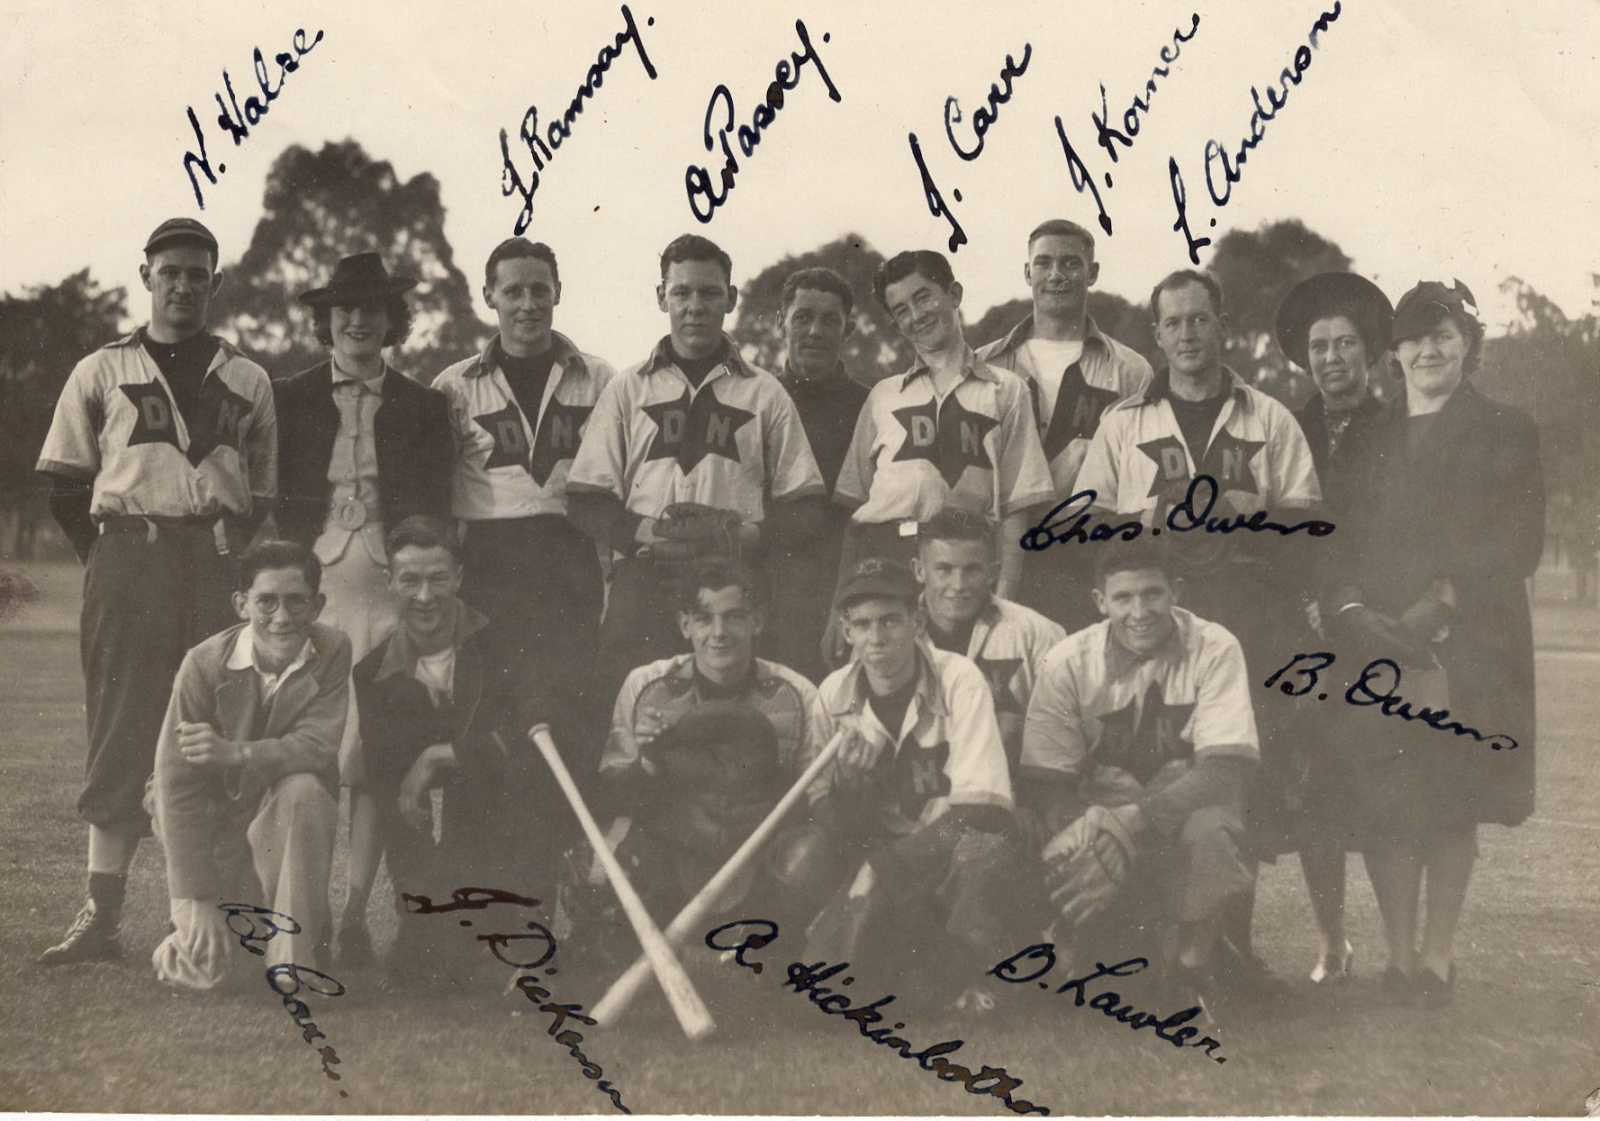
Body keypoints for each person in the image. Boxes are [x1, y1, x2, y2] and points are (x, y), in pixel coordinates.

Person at [34, 217, 278, 965]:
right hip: (129, 559)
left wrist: (220, 549)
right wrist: (115, 555)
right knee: (120, 730)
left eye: (196, 273)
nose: (182, 284)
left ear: (215, 282)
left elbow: (263, 492)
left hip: (211, 560)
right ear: (146, 275)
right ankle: (101, 914)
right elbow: (65, 484)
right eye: (169, 271)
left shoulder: (246, 377)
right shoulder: (102, 369)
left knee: (215, 728)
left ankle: (225, 914)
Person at [1076, 268, 1321, 977]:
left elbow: (1309, 521)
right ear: (1156, 334)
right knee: (1147, 766)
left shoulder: (1268, 416)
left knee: (1239, 776)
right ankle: (1150, 945)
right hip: (1150, 624)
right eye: (1173, 322)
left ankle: (1230, 944)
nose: (1187, 333)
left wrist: (1254, 513)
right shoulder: (1124, 421)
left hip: (1244, 621)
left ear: (1223, 324)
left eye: (1199, 319)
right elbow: (1083, 518)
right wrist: (1141, 519)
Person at [1323, 279, 1542, 1009]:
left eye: (1442, 334)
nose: (1427, 350)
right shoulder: (1366, 435)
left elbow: (1520, 541)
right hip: (1378, 644)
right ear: (1395, 350)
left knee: (1452, 798)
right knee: (1388, 798)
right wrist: (1355, 609)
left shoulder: (1508, 428)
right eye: (1413, 337)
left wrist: (1441, 600)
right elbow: (1339, 538)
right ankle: (1399, 957)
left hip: (1471, 642)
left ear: (1467, 342)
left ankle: (1438, 960)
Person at [274, 252, 455, 966]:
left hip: (389, 598)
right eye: (344, 308)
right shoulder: (286, 397)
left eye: (372, 308)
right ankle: (306, 918)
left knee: (374, 763)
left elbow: (436, 510)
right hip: (308, 600)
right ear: (326, 318)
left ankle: (352, 918)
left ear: (390, 319)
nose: (357, 319)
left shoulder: (422, 404)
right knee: (311, 758)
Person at [566, 234, 825, 708]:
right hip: (647, 574)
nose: (695, 306)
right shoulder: (628, 388)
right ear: (661, 296)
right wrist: (648, 533)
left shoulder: (763, 393)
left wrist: (740, 537)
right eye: (682, 292)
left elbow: (807, 508)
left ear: (730, 298)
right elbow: (586, 498)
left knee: (736, 710)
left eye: (709, 293)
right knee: (624, 699)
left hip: (733, 576)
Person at [1019, 541, 1259, 1014]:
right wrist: (1093, 830)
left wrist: (1136, 820)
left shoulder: (1215, 646)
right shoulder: (1067, 661)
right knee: (1108, 980)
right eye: (1123, 598)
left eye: (1152, 593)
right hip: (1101, 822)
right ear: (1100, 601)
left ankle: (1193, 963)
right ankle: (1086, 941)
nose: (1140, 610)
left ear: (1176, 591)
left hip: (1182, 814)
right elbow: (1046, 780)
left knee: (1215, 826)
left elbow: (1224, 770)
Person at [787, 557, 1021, 1011]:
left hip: (946, 844)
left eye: (891, 621)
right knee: (822, 992)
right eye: (864, 624)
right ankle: (919, 973)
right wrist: (851, 788)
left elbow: (983, 810)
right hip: (877, 848)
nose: (877, 638)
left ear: (917, 620)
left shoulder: (960, 679)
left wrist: (883, 867)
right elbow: (828, 819)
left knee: (984, 848)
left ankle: (973, 974)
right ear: (847, 629)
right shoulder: (833, 695)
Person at [352, 516, 562, 988]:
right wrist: (419, 902)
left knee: (533, 769)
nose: (425, 596)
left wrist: (443, 755)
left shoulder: (503, 638)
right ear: (389, 582)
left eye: (437, 579)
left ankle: (526, 924)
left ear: (459, 578)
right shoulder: (371, 673)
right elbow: (393, 792)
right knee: (424, 970)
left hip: (504, 821)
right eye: (410, 580)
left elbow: (534, 724)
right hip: (441, 847)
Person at [146, 540, 350, 989]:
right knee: (207, 972)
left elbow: (317, 747)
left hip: (281, 817)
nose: (282, 617)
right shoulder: (202, 664)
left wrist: (234, 752)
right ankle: (194, 934)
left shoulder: (332, 650)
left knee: (303, 789)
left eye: (296, 601)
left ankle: (293, 961)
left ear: (317, 604)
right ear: (242, 604)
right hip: (213, 823)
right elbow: (174, 784)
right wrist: (198, 899)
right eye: (266, 602)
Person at [433, 238, 617, 732]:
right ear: (489, 295)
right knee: (485, 708)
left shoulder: (599, 378)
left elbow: (618, 481)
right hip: (489, 557)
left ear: (559, 292)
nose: (528, 304)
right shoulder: (455, 385)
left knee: (565, 704)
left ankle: (559, 812)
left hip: (569, 553)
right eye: (513, 291)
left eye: (540, 290)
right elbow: (438, 488)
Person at [1272, 271, 1393, 983]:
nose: (1331, 357)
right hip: (1304, 635)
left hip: (1376, 631)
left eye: (1345, 342)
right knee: (1314, 792)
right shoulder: (1285, 427)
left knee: (1382, 791)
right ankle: (1332, 939)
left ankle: (1403, 948)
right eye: (1319, 345)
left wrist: (1358, 600)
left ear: (1369, 352)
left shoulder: (1400, 429)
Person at [595, 561, 822, 925]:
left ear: (757, 621)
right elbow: (613, 790)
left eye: (733, 617)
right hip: (675, 839)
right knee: (603, 857)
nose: (719, 633)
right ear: (685, 625)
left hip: (757, 845)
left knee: (812, 856)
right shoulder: (646, 686)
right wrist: (650, 763)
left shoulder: (798, 693)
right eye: (704, 619)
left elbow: (813, 799)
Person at [835, 251, 1052, 600]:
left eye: (923, 297)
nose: (917, 316)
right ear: (894, 324)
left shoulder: (1006, 390)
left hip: (963, 565)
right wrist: (840, 605)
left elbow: (1016, 507)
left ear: (953, 294)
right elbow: (853, 512)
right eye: (901, 310)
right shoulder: (883, 396)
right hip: (886, 560)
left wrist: (1005, 597)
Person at [977, 219, 1153, 629]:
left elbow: (1139, 481)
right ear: (1027, 273)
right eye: (1044, 263)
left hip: (1087, 563)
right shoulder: (984, 365)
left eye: (1071, 263)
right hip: (1000, 558)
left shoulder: (1129, 370)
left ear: (1092, 273)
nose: (1056, 275)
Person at [768, 267, 871, 681]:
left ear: (848, 329)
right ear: (780, 323)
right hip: (766, 584)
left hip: (836, 587)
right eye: (802, 317)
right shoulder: (756, 399)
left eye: (830, 320)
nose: (815, 331)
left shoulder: (871, 406)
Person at [913, 506, 1065, 773]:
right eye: (944, 569)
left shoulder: (1037, 633)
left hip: (1013, 791)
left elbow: (1062, 735)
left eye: (972, 569)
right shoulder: (892, 636)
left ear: (993, 572)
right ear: (919, 570)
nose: (958, 584)